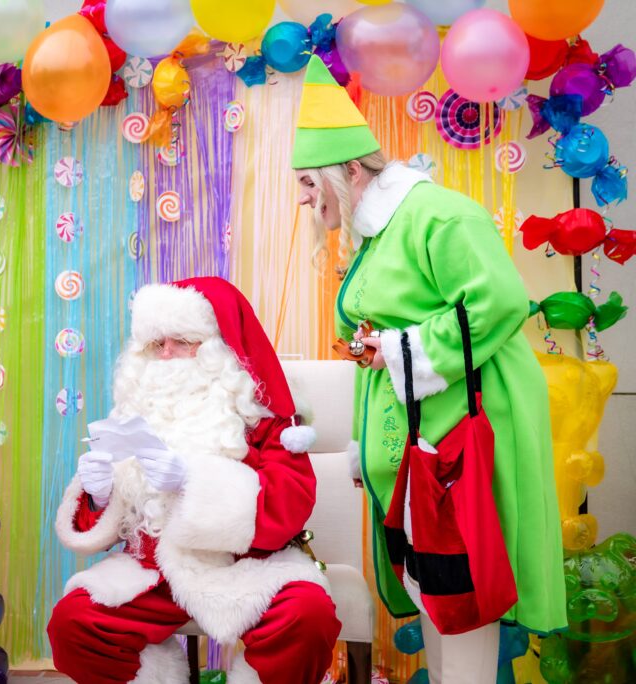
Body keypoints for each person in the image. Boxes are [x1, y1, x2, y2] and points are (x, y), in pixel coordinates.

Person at [291, 55, 567, 683]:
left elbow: (495, 302)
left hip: (465, 446)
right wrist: (377, 346)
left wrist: (392, 348)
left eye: (309, 183)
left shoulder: (437, 214)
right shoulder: (377, 232)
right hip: (422, 454)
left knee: (463, 601)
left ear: (351, 170)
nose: (305, 200)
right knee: (438, 602)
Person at [47, 277, 341, 684]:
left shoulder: (263, 415)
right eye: (156, 344)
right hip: (152, 571)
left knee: (308, 616)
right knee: (73, 623)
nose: (167, 355)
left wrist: (193, 483)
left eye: (183, 341)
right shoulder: (136, 409)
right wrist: (98, 497)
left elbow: (291, 503)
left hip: (244, 567)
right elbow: (109, 525)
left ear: (218, 346)